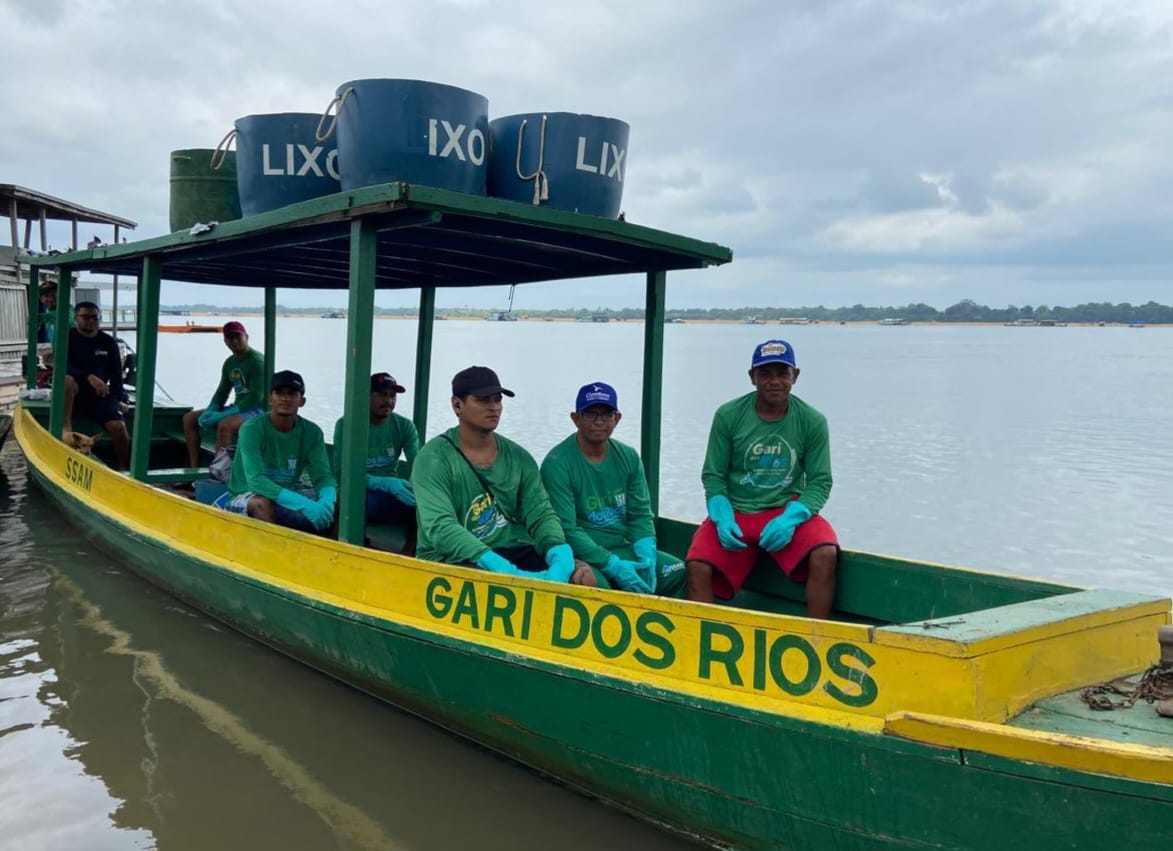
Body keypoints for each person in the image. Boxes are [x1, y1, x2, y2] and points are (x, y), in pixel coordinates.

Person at [685, 340, 839, 618]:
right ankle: (702, 642)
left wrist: (793, 518)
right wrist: (722, 516)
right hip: (737, 511)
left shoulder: (813, 421)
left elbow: (820, 481)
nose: (774, 381)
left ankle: (820, 638)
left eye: (782, 373)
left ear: (795, 376)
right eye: (765, 373)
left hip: (785, 510)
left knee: (825, 553)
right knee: (697, 566)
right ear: (752, 377)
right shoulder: (728, 415)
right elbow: (713, 475)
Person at [411, 365, 597, 585]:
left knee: (582, 576)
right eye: (483, 400)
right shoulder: (433, 459)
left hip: (508, 548)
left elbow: (541, 514)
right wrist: (500, 568)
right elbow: (441, 528)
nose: (494, 407)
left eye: (497, 399)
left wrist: (557, 548)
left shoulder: (519, 458)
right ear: (457, 405)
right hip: (452, 559)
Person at [541, 382, 687, 596]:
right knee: (594, 585)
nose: (599, 421)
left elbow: (641, 514)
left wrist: (647, 555)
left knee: (678, 570)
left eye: (606, 414)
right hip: (582, 554)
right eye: (590, 414)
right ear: (576, 418)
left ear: (617, 418)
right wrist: (613, 565)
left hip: (623, 547)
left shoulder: (628, 456)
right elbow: (566, 529)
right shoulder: (557, 463)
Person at [213, 370, 337, 533]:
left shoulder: (312, 432)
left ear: (302, 401)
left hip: (286, 496)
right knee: (262, 503)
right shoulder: (252, 429)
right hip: (246, 495)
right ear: (270, 399)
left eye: (292, 393)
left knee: (338, 504)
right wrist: (304, 504)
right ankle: (271, 553)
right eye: (279, 393)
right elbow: (256, 481)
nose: (285, 398)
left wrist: (327, 502)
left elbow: (322, 477)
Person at [332, 372, 420, 551]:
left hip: (393, 495)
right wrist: (381, 482)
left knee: (426, 507)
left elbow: (419, 464)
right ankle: (350, 549)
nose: (388, 400)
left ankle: (412, 554)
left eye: (392, 395)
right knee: (346, 502)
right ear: (366, 397)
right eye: (381, 394)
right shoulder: (347, 425)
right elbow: (341, 473)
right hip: (361, 492)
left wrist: (419, 488)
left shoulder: (404, 426)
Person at [182, 321, 266, 468]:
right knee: (189, 418)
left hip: (258, 410)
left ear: (247, 337)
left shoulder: (257, 361)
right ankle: (193, 470)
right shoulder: (230, 363)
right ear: (225, 341)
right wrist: (210, 411)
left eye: (238, 336)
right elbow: (222, 392)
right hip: (239, 407)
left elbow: (255, 398)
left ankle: (220, 474)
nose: (234, 341)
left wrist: (222, 415)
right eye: (230, 338)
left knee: (225, 425)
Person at [63, 301, 130, 470]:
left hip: (98, 394)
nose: (91, 321)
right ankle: (65, 426)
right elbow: (62, 364)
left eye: (95, 317)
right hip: (72, 392)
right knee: (67, 380)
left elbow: (116, 376)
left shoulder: (108, 342)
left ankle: (125, 469)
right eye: (85, 317)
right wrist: (87, 377)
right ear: (76, 318)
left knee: (119, 426)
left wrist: (118, 399)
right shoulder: (67, 337)